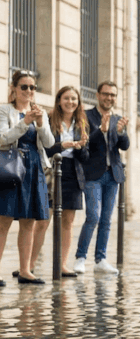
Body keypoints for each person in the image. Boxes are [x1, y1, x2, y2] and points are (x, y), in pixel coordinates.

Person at [0, 70, 55, 285]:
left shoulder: (40, 113)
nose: (29, 91)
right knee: (3, 220)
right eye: (24, 86)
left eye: (32, 87)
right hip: (11, 167)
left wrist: (40, 122)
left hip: (33, 168)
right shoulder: (4, 110)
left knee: (29, 221)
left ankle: (25, 270)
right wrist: (25, 122)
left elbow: (49, 143)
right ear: (14, 89)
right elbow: (3, 138)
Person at [74, 81, 129, 275]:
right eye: (106, 94)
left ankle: (101, 259)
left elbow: (124, 146)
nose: (109, 98)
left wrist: (121, 132)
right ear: (97, 95)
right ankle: (80, 257)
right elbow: (83, 144)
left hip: (112, 175)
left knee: (106, 219)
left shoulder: (118, 119)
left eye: (113, 95)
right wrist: (101, 130)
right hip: (93, 175)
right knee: (93, 216)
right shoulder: (86, 116)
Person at [43, 86, 90, 277]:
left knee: (68, 222)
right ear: (59, 100)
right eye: (66, 98)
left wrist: (80, 147)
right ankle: (28, 266)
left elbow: (85, 157)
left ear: (78, 102)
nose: (70, 102)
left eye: (74, 99)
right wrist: (62, 146)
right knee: (43, 220)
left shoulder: (81, 124)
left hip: (73, 173)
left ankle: (62, 265)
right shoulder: (49, 119)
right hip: (52, 171)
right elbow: (44, 149)